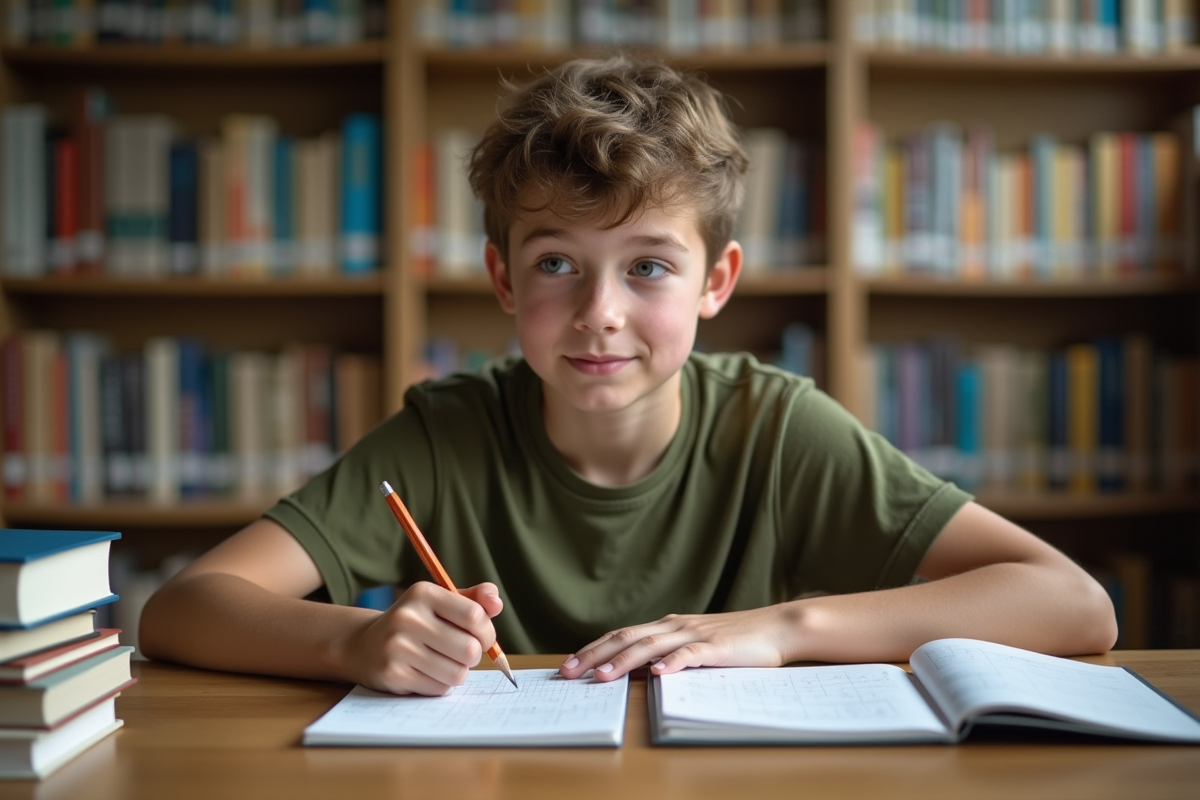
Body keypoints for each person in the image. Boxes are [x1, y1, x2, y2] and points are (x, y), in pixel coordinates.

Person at [140, 56, 1117, 696]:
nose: (599, 311)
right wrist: (350, 642)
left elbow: (1073, 604)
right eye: (557, 263)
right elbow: (182, 605)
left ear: (715, 282)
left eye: (648, 265)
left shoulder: (775, 427)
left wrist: (783, 629)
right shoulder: (450, 432)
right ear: (502, 278)